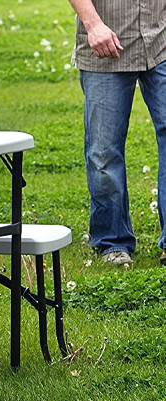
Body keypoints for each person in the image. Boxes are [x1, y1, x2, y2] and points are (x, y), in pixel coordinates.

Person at [67, 0, 166, 265]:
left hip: (161, 42)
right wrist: (93, 24)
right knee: (104, 150)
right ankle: (112, 242)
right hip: (105, 47)